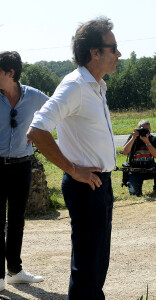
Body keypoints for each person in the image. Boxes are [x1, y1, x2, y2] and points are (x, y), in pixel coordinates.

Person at [27, 17, 121, 300]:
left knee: (96, 266)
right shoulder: (76, 85)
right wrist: (72, 169)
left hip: (99, 183)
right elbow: (37, 130)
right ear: (95, 52)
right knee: (87, 269)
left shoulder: (96, 86)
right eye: (113, 47)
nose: (119, 54)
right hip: (85, 185)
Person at [0, 51, 48, 292]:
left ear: (10, 73)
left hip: (22, 165)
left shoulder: (33, 96)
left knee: (17, 220)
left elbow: (56, 111)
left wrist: (37, 131)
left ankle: (14, 271)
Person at [122, 120, 156, 196]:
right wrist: (133, 137)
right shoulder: (133, 138)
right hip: (135, 168)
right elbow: (125, 152)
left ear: (150, 130)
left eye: (146, 129)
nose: (144, 131)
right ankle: (133, 184)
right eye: (142, 129)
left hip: (149, 167)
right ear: (138, 129)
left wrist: (147, 142)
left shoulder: (153, 139)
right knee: (135, 194)